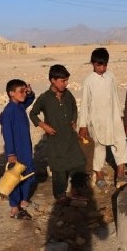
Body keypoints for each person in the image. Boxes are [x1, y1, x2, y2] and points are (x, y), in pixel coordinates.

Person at [29, 64, 86, 202]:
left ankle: (75, 191)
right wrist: (44, 126)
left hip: (70, 136)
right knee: (59, 167)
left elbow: (74, 107)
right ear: (53, 80)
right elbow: (33, 113)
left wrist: (74, 119)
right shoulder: (45, 97)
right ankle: (59, 194)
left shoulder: (68, 94)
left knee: (78, 162)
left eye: (67, 80)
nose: (65, 84)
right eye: (62, 81)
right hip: (55, 138)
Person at [78, 48, 127, 189]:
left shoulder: (111, 76)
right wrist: (83, 124)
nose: (102, 68)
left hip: (113, 117)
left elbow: (115, 96)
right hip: (96, 119)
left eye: (104, 65)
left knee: (120, 142)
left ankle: (120, 172)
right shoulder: (88, 81)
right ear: (93, 64)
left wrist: (120, 115)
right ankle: (99, 174)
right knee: (98, 147)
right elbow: (84, 103)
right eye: (98, 65)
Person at [0, 79, 36, 219]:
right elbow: (7, 134)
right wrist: (10, 153)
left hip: (26, 148)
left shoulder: (20, 106)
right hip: (16, 150)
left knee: (26, 173)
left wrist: (30, 92)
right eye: (21, 92)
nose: (24, 94)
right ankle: (14, 206)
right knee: (14, 177)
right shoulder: (9, 111)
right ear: (11, 93)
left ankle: (23, 199)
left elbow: (30, 99)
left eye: (24, 91)